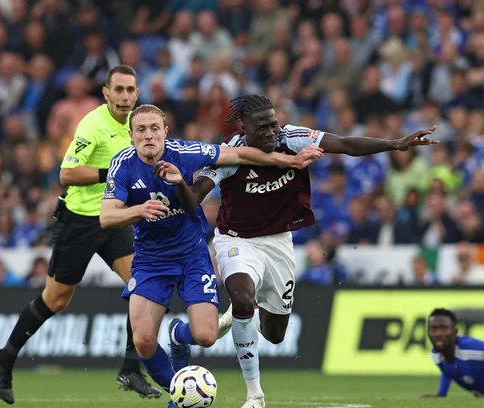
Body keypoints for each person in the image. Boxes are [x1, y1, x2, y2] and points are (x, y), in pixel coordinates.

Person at [162, 94, 437, 408]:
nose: (270, 132)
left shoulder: (292, 137)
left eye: (273, 124)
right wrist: (178, 184)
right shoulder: (228, 153)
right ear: (243, 127)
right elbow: (195, 198)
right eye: (261, 127)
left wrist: (395, 144)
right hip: (237, 240)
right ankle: (255, 395)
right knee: (241, 296)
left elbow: (345, 145)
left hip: (279, 243)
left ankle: (222, 321)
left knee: (274, 334)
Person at [99, 104, 322, 404]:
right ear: (131, 136)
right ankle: (180, 395)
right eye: (141, 130)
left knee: (205, 336)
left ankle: (179, 334)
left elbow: (241, 154)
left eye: (154, 128)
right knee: (143, 340)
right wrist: (139, 210)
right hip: (151, 260)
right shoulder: (122, 164)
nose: (148, 135)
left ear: (165, 131)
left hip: (192, 255)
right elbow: (106, 217)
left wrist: (290, 161)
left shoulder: (187, 152)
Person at [0, 65, 161, 404]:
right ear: (106, 94)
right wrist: (112, 172)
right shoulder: (93, 124)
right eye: (119, 90)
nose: (125, 97)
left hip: (115, 219)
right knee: (56, 300)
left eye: (131, 90)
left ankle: (130, 368)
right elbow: (67, 173)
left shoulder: (139, 124)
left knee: (144, 285)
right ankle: (4, 357)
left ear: (137, 93)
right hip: (80, 220)